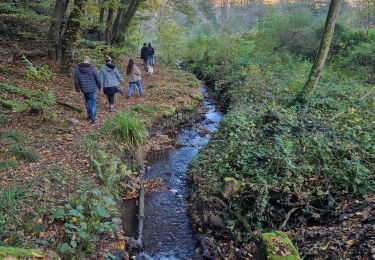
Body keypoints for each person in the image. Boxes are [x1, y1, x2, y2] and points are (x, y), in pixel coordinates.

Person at [74, 56, 101, 124]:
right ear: (89, 60)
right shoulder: (92, 68)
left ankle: (89, 115)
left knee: (87, 102)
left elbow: (76, 81)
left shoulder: (78, 69)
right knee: (93, 103)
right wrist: (100, 87)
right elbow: (97, 78)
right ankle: (93, 118)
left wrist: (77, 90)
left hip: (84, 89)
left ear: (83, 60)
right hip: (92, 89)